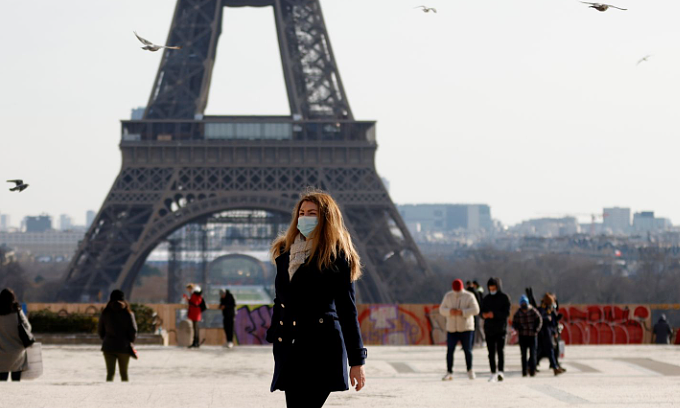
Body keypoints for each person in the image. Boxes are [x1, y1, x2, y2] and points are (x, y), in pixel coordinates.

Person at [266, 190, 367, 408]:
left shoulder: (336, 255)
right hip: (291, 349)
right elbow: (280, 299)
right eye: (301, 213)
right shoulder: (285, 251)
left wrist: (357, 361)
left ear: (325, 218)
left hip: (322, 349)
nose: (304, 218)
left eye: (312, 213)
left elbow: (347, 311)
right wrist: (274, 331)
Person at [440, 279, 480, 381]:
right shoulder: (448, 296)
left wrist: (462, 312)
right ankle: (449, 371)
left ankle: (470, 370)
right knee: (450, 351)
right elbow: (441, 310)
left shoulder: (469, 296)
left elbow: (476, 310)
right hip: (452, 328)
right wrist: (450, 311)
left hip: (466, 328)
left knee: (468, 350)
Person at [98, 289, 137, 382]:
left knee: (110, 374)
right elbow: (133, 330)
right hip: (124, 347)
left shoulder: (105, 313)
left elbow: (100, 330)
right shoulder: (128, 314)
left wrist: (106, 339)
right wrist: (129, 341)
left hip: (108, 346)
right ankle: (125, 394)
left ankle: (108, 393)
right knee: (124, 374)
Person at [480, 277, 511, 382]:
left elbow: (507, 313)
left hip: (501, 329)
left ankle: (500, 371)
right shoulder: (486, 298)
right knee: (491, 352)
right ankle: (492, 372)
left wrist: (494, 315)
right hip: (489, 329)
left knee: (500, 351)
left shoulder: (504, 298)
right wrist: (484, 315)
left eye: (494, 288)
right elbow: (481, 312)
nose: (492, 290)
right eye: (490, 288)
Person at [0, 288, 32, 382]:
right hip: (17, 353)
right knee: (16, 384)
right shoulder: (17, 312)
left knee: (2, 384)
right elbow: (28, 328)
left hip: (1, 354)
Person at [512, 295, 542, 377]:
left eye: (525, 304)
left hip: (532, 335)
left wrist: (536, 329)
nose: (524, 306)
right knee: (523, 355)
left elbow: (539, 320)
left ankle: (533, 370)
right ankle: (524, 371)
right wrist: (516, 328)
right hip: (523, 336)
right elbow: (514, 323)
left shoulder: (533, 311)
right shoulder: (518, 313)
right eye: (522, 304)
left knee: (533, 354)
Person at [536, 293, 565, 376]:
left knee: (544, 351)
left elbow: (552, 321)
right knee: (548, 350)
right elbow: (542, 319)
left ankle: (554, 366)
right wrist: (548, 319)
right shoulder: (542, 309)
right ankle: (554, 367)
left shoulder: (549, 309)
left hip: (548, 332)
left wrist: (556, 318)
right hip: (544, 333)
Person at [183, 284, 204, 348]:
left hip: (195, 313)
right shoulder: (195, 294)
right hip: (195, 313)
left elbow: (195, 303)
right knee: (195, 328)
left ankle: (196, 342)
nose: (188, 291)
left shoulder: (195, 294)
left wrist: (188, 300)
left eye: (188, 289)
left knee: (195, 328)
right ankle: (195, 342)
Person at [465, 281, 483, 347]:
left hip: (467, 313)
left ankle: (470, 343)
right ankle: (473, 343)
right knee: (475, 327)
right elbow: (479, 302)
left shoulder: (466, 293)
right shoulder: (476, 292)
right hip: (475, 312)